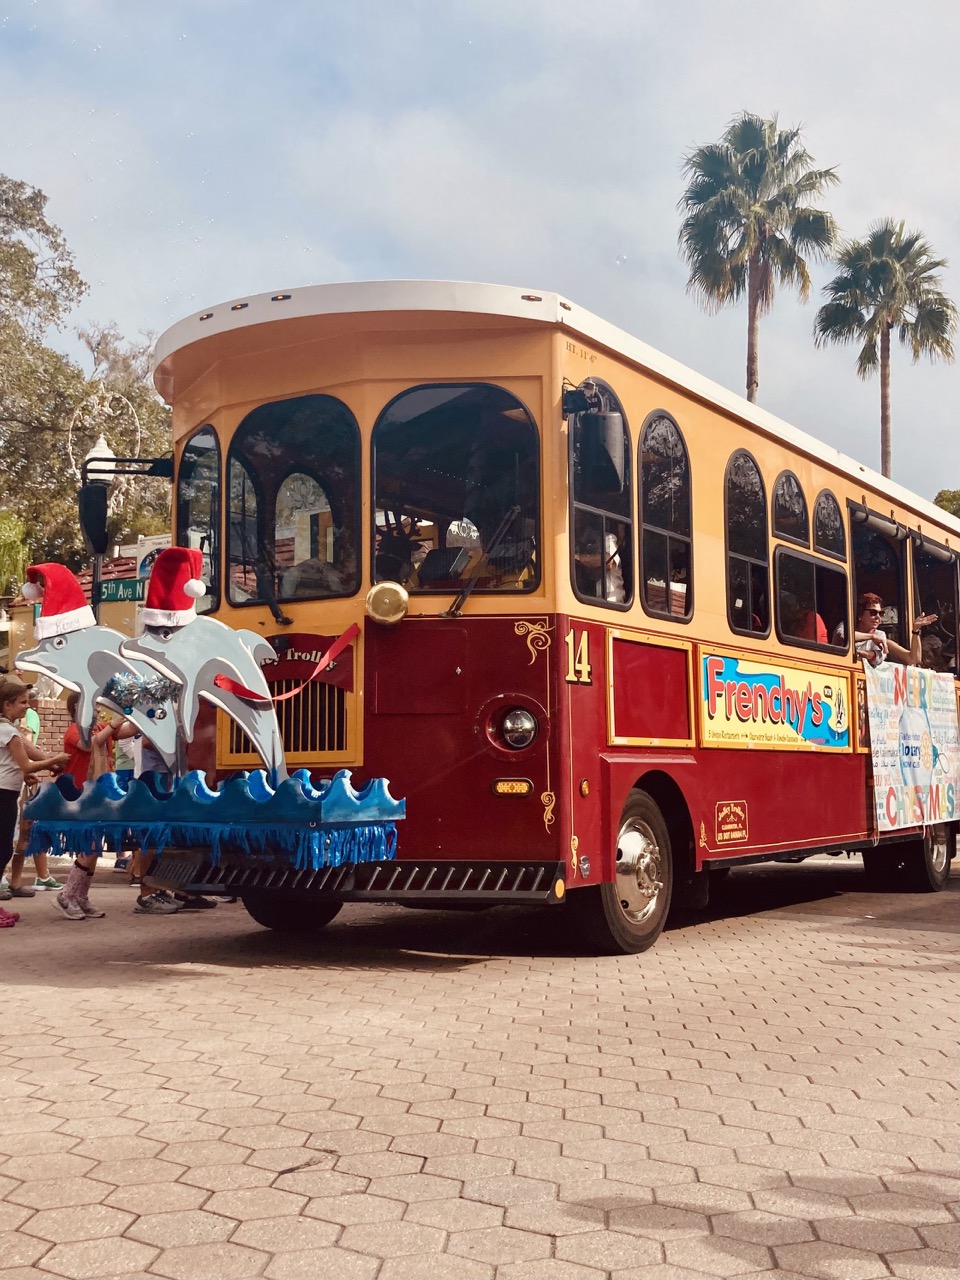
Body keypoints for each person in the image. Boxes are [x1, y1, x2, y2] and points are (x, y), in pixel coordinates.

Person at [0, 679, 70, 927]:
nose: (27, 707)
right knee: (2, 849)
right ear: (7, 705)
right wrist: (56, 759)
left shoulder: (6, 728)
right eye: (22, 703)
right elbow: (27, 764)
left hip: (7, 790)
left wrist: (26, 773)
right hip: (4, 794)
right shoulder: (8, 731)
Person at [843, 592, 936, 667]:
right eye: (873, 613)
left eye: (881, 613)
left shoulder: (880, 635)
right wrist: (871, 637)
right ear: (859, 615)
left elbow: (913, 659)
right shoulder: (845, 626)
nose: (878, 617)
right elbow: (844, 636)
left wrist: (916, 630)